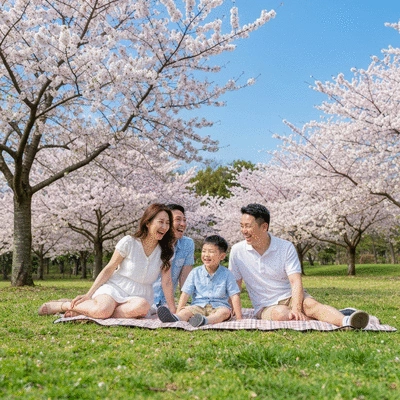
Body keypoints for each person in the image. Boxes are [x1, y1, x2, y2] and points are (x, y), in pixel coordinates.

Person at [228, 203, 370, 329]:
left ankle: (347, 321)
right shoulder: (237, 251)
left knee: (311, 306)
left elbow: (295, 281)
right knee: (280, 314)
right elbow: (235, 284)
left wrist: (296, 308)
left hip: (291, 296)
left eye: (248, 226)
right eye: (242, 226)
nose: (244, 231)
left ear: (264, 227)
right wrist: (228, 308)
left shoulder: (285, 247)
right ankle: (334, 317)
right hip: (265, 306)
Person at [38, 203, 176, 318]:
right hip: (115, 288)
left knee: (142, 307)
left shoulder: (166, 251)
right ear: (148, 223)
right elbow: (109, 268)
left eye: (168, 223)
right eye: (161, 222)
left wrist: (173, 310)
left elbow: (167, 282)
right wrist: (88, 294)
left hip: (140, 296)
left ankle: (86, 311)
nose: (164, 227)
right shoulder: (129, 242)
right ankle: (64, 305)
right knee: (103, 310)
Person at [157, 235, 242, 327]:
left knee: (224, 313)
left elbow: (234, 296)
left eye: (211, 251)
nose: (206, 255)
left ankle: (205, 320)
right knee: (186, 311)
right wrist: (178, 312)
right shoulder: (195, 272)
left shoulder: (227, 274)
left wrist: (239, 317)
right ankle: (176, 318)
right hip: (198, 306)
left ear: (222, 256)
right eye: (204, 251)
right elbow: (185, 294)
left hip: (219, 307)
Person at [152, 204, 194, 310]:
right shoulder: (153, 242)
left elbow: (185, 279)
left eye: (184, 220)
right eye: (178, 220)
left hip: (166, 302)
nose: (183, 224)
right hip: (146, 298)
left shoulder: (187, 244)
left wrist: (183, 305)